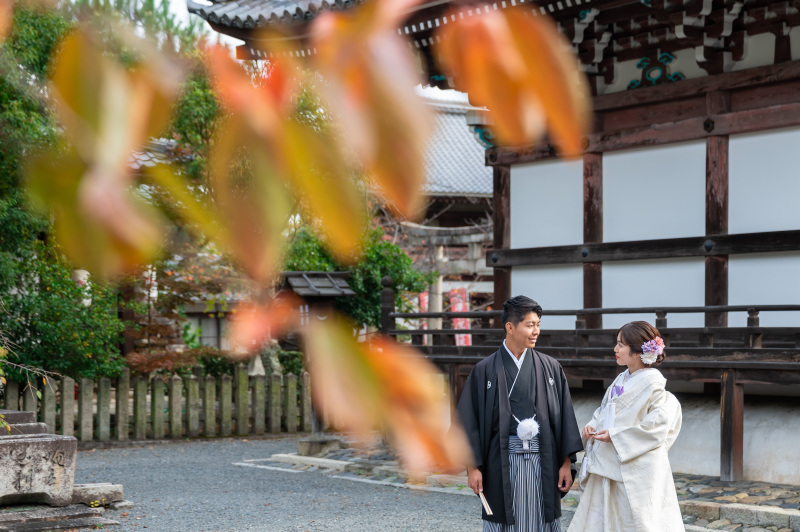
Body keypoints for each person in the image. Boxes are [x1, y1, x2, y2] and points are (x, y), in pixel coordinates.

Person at [455, 296, 583, 531]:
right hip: (500, 462)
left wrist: (566, 463)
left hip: (543, 459)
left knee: (542, 518)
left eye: (538, 325)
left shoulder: (550, 367)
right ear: (510, 327)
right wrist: (472, 468)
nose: (536, 331)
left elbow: (564, 416)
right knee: (503, 518)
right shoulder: (484, 370)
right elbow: (467, 421)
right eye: (530, 325)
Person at [568, 321, 683, 532]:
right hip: (610, 460)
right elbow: (603, 411)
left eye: (620, 345)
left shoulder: (654, 385)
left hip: (634, 464)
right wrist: (592, 425)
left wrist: (616, 435)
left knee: (634, 519)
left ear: (638, 352)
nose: (615, 349)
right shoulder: (621, 379)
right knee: (604, 518)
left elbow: (657, 427)